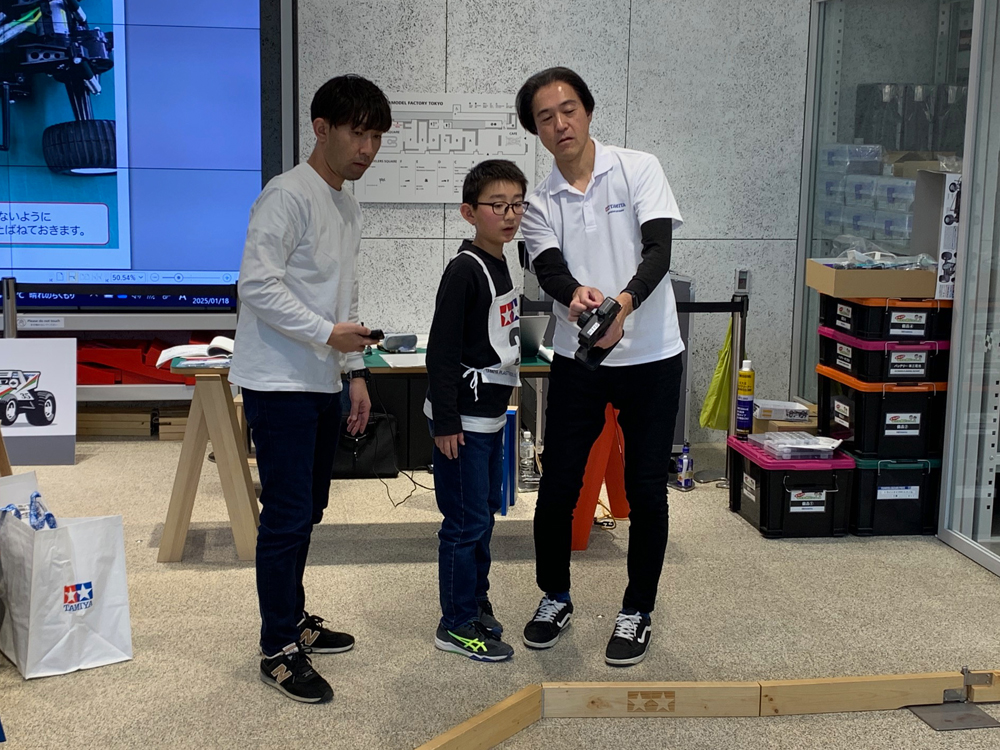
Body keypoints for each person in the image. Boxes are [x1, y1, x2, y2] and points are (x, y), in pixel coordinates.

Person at [516, 67, 684, 666]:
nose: (560, 124)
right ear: (536, 131)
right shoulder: (538, 201)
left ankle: (638, 610)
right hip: (579, 358)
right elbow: (549, 269)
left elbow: (659, 250)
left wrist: (623, 305)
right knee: (559, 484)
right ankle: (554, 597)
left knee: (645, 489)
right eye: (545, 117)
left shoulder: (638, 168)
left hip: (653, 355)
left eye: (568, 110)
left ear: (587, 111)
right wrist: (577, 296)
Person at [228, 75, 389, 703]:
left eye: (376, 136)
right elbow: (255, 286)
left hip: (322, 379)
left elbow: (346, 297)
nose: (368, 148)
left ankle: (292, 618)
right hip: (278, 381)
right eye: (358, 133)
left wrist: (356, 372)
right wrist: (327, 334)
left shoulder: (346, 204)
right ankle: (277, 647)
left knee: (309, 510)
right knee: (287, 517)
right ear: (321, 129)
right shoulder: (286, 195)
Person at [424, 160, 529, 662]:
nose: (509, 215)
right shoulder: (464, 270)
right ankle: (455, 623)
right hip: (462, 423)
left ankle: (474, 601)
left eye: (517, 205)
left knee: (483, 516)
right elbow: (441, 351)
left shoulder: (503, 262)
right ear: (469, 212)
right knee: (464, 523)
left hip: (489, 418)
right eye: (497, 205)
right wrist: (446, 421)